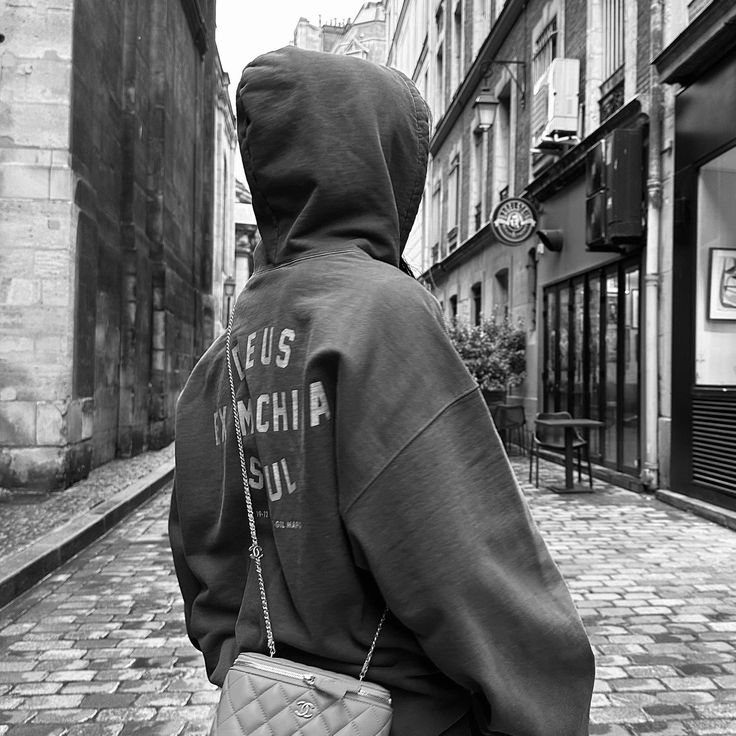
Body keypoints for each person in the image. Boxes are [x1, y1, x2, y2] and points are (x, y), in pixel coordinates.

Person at [169, 46, 595, 736]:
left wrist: (238, 658)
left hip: (268, 712)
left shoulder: (223, 354)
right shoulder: (381, 313)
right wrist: (547, 702)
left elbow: (202, 557)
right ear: (382, 165)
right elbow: (468, 564)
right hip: (403, 715)